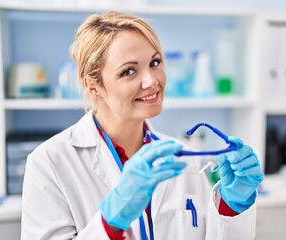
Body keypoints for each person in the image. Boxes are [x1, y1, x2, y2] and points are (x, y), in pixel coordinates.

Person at [21, 11, 264, 240]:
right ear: (93, 86)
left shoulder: (184, 157)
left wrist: (231, 206)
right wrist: (109, 223)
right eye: (128, 71)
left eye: (155, 63)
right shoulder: (49, 163)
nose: (151, 81)